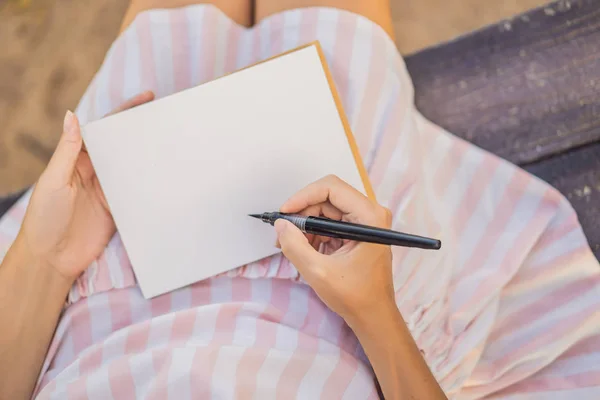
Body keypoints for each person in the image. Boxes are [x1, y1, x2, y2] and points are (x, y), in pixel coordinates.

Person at [1, 0, 599, 399]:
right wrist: (374, 309)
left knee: (165, 29)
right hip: (343, 272)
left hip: (94, 253)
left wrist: (47, 256)